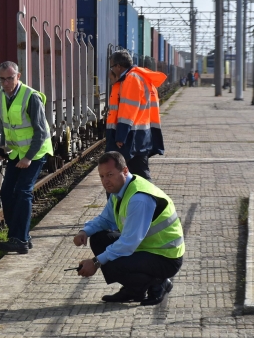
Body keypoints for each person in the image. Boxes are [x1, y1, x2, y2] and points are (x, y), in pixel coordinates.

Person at [72, 152, 184, 305]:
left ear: (125, 171)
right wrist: (85, 231)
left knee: (112, 260)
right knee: (98, 238)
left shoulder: (139, 198)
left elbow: (128, 243)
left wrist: (96, 262)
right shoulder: (118, 190)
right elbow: (106, 219)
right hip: (146, 248)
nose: (105, 181)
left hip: (165, 257)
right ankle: (135, 289)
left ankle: (158, 283)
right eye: (102, 176)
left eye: (110, 174)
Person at [0, 61, 53, 254]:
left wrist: (28, 157)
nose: (5, 83)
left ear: (18, 77)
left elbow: (41, 133)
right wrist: (4, 148)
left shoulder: (31, 97)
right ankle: (19, 236)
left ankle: (20, 238)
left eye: (9, 78)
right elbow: (9, 126)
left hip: (35, 152)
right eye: (2, 79)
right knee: (5, 192)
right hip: (17, 153)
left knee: (23, 191)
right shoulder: (2, 96)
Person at [107, 50, 166, 180]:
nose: (111, 70)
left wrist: (120, 136)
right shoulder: (141, 77)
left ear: (118, 66)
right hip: (142, 135)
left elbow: (129, 109)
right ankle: (142, 199)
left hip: (131, 137)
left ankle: (146, 199)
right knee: (138, 174)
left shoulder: (131, 79)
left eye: (112, 67)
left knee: (134, 175)